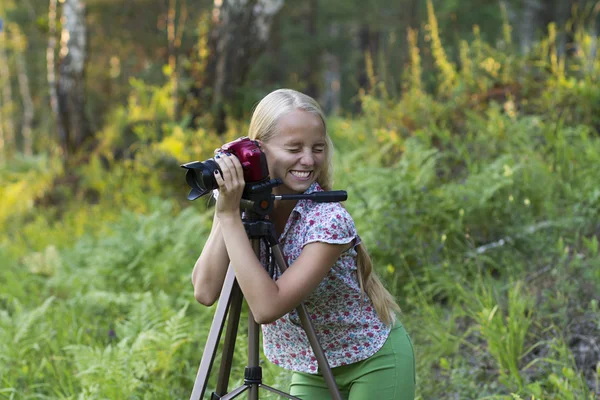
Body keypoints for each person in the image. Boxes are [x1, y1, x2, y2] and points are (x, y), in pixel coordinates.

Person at [191, 88, 416, 399]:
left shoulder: (327, 219)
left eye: (318, 148)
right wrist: (228, 207)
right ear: (257, 150)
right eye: (294, 147)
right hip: (313, 368)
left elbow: (267, 307)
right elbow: (205, 291)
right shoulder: (238, 207)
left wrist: (229, 218)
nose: (308, 160)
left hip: (373, 359)